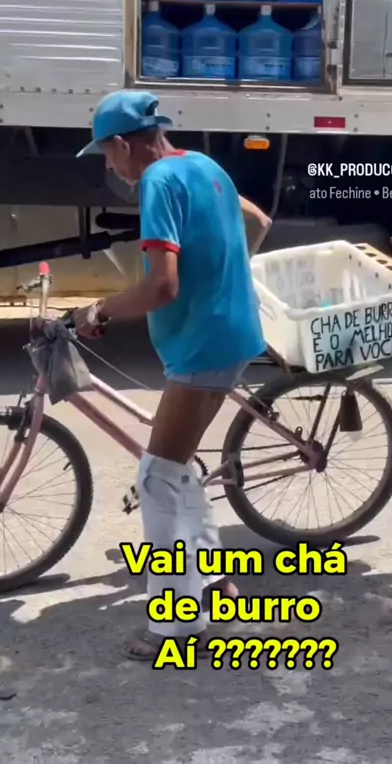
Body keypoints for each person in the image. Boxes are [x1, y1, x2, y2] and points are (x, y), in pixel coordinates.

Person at [74, 90, 272, 660]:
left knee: (158, 477)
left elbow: (162, 286)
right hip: (229, 332)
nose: (110, 167)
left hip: (205, 344)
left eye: (106, 154)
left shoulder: (158, 181)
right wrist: (224, 275)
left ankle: (179, 624)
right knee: (177, 470)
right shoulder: (203, 165)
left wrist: (99, 310)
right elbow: (258, 221)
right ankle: (215, 587)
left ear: (122, 144)